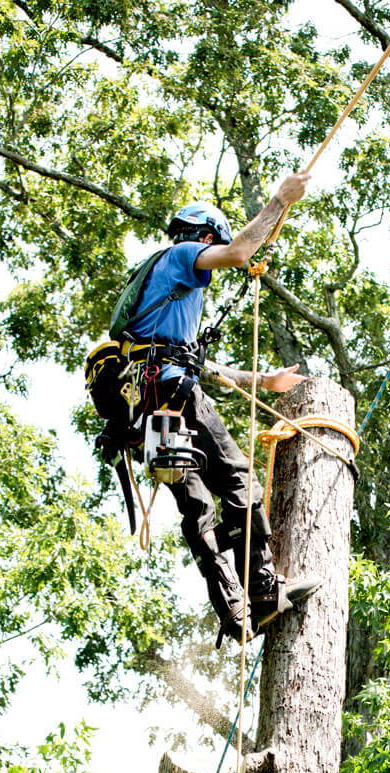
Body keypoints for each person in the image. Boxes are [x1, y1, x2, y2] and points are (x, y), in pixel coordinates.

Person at [87, 171, 321, 642]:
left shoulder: (158, 306)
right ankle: (261, 587)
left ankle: (234, 612)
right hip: (172, 394)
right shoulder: (179, 257)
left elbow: (197, 363)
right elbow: (238, 253)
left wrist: (262, 381)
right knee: (237, 478)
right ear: (206, 237)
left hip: (151, 412)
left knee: (197, 510)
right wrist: (279, 201)